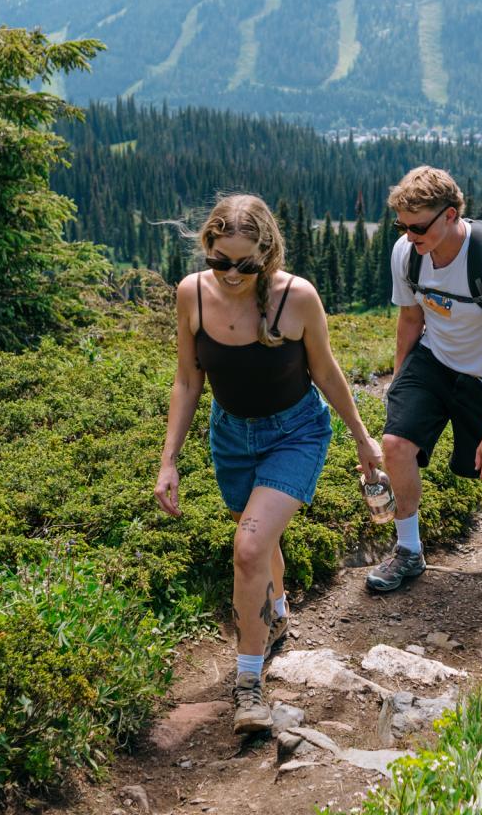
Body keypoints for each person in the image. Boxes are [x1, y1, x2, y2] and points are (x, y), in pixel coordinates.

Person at [155, 194, 383, 735]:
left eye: (246, 263)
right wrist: (169, 460)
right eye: (219, 260)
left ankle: (249, 686)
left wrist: (363, 439)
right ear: (207, 249)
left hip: (296, 433)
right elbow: (189, 380)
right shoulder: (192, 295)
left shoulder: (297, 299)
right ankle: (276, 614)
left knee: (250, 546)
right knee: (256, 542)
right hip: (231, 434)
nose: (231, 274)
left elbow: (326, 374)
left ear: (268, 252)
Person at [366, 166, 482, 593]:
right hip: (436, 358)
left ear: (450, 215)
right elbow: (410, 318)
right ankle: (408, 551)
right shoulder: (407, 254)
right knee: (395, 445)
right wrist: (400, 388)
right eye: (401, 226)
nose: (409, 236)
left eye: (418, 226)